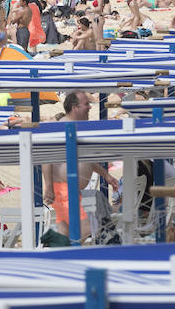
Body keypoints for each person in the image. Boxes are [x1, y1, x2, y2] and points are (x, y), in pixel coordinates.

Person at [41, 91, 118, 239]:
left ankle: (64, 256)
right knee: (83, 229)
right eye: (86, 104)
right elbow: (47, 158)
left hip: (71, 190)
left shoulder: (76, 128)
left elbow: (84, 160)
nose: (89, 107)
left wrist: (106, 175)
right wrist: (49, 187)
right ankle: (65, 256)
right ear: (74, 108)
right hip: (62, 189)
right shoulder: (60, 127)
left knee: (70, 231)